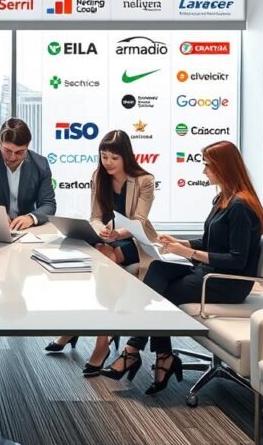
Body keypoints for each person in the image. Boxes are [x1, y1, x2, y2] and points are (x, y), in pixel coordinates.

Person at [100, 141, 263, 395]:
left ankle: (135, 350)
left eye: (208, 166)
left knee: (159, 294)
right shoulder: (224, 198)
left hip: (226, 283)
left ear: (224, 168)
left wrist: (187, 253)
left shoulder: (240, 207)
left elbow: (237, 260)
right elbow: (210, 242)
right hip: (208, 273)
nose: (204, 171)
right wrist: (179, 242)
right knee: (156, 270)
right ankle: (160, 356)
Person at [45, 130, 158, 377]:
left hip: (134, 241)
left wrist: (116, 234)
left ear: (126, 157)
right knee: (90, 250)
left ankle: (99, 342)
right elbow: (95, 216)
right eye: (104, 156)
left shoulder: (144, 180)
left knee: (103, 257)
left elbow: (139, 221)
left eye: (113, 158)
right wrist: (100, 231)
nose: (107, 162)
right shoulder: (99, 176)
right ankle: (90, 330)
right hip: (107, 239)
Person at [0, 118, 56, 230]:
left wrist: (31, 218)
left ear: (27, 147)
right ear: (0, 144)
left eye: (19, 152)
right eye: (7, 151)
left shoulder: (41, 165)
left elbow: (48, 204)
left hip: (27, 230)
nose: (12, 157)